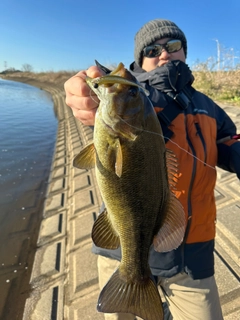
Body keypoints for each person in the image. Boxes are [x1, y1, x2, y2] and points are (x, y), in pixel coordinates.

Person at [64, 19, 240, 320]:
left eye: (173, 46)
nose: (164, 53)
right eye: (152, 48)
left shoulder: (209, 107)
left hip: (192, 254)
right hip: (120, 250)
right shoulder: (138, 96)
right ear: (139, 59)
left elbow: (229, 141)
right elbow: (92, 102)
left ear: (184, 51)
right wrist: (85, 95)